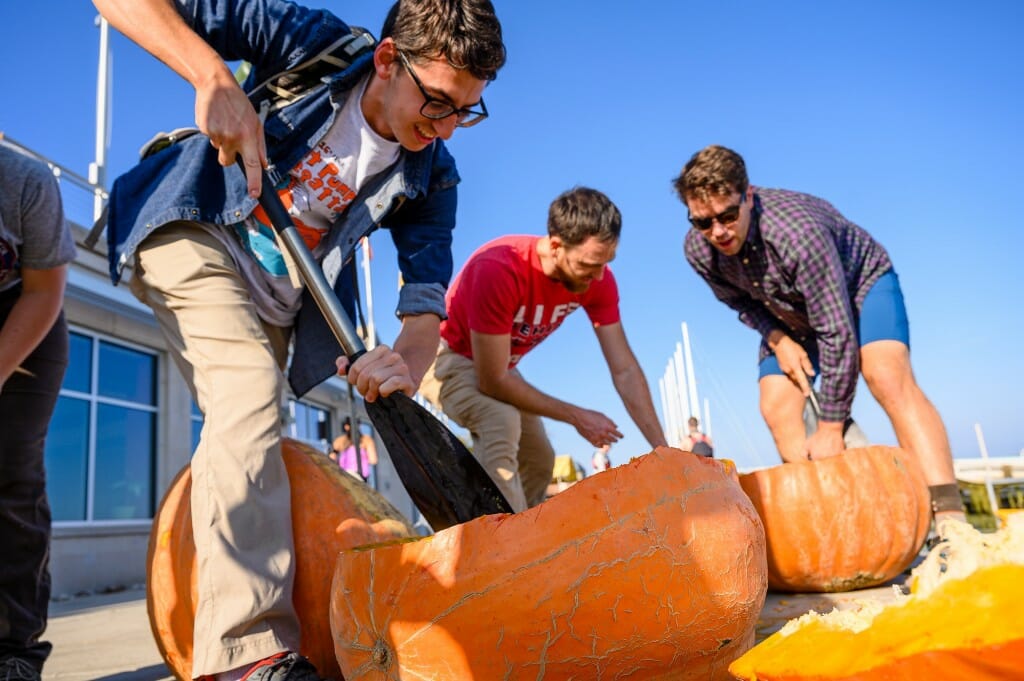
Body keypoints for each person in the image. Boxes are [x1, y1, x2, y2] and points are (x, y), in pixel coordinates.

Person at [91, 0, 505, 678]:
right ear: (386, 62)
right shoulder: (310, 43)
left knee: (251, 427)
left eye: (467, 109)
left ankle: (230, 596)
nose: (448, 127)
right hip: (198, 226)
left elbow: (424, 319)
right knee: (250, 392)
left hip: (283, 301)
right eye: (437, 102)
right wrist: (211, 77)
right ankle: (246, 653)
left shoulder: (434, 176)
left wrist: (398, 368)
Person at [672, 144, 964, 522]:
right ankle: (841, 520)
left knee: (886, 375)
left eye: (727, 215)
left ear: (748, 195)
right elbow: (742, 303)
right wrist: (779, 340)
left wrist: (830, 425)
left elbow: (836, 331)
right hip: (787, 315)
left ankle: (949, 520)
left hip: (859, 288)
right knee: (776, 404)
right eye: (702, 221)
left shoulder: (797, 234)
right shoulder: (699, 250)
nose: (718, 231)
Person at [419, 187, 668, 512]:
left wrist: (663, 450)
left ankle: (529, 531)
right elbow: (491, 381)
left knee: (539, 458)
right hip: (444, 355)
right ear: (555, 245)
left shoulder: (599, 277)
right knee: (499, 419)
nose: (598, 277)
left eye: (605, 264)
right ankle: (503, 544)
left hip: (499, 362)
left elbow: (625, 369)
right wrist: (576, 416)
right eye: (589, 265)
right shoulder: (498, 268)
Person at [0, 145, 76, 681]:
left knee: (11, 473)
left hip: (25, 315)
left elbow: (44, 290)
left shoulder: (25, 181)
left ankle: (15, 650)